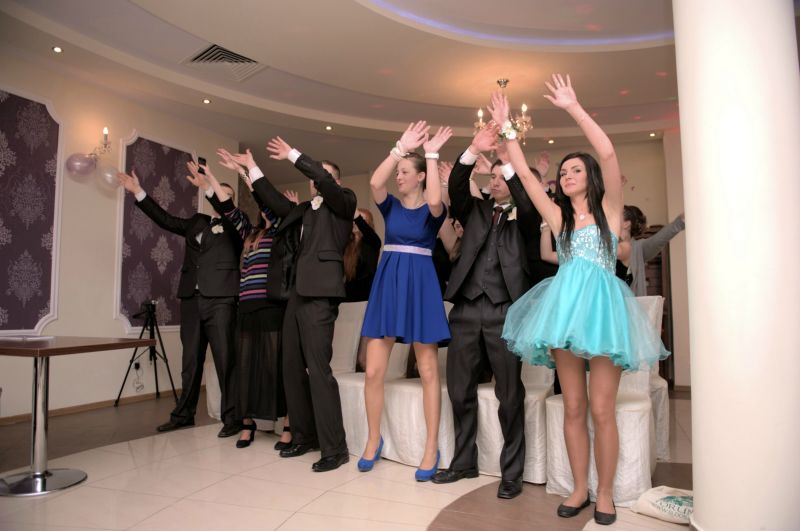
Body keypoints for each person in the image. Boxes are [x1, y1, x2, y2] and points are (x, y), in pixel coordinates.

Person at [492, 75, 669, 525]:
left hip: (604, 315)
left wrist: (573, 107)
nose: (567, 176)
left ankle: (605, 493)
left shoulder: (610, 211)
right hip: (565, 315)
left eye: (575, 170)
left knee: (601, 409)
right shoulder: (559, 219)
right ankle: (578, 488)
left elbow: (607, 153)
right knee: (572, 406)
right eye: (564, 171)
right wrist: (507, 129)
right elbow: (526, 178)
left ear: (589, 177)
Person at [229, 140, 356, 473]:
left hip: (321, 294)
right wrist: (252, 168)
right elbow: (272, 200)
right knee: (291, 368)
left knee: (318, 370)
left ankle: (335, 448)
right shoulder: (302, 210)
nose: (316, 179)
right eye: (314, 176)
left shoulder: (344, 202)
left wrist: (294, 156)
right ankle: (303, 435)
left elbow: (323, 179)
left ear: (335, 181)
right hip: (295, 294)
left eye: (323, 175)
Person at [429, 125, 539, 499]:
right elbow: (458, 185)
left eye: (501, 176)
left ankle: (512, 473)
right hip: (465, 309)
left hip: (505, 311)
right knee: (460, 390)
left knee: (509, 394)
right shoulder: (475, 210)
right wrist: (473, 150)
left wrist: (509, 162)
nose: (494, 181)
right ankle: (463, 462)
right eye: (491, 177)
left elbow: (526, 200)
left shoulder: (527, 216)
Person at [117, 166, 244, 438]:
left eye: (225, 194)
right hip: (191, 300)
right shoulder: (198, 221)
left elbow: (226, 208)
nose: (221, 196)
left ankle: (232, 418)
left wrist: (210, 186)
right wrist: (138, 191)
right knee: (190, 361)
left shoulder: (237, 225)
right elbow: (166, 220)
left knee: (225, 360)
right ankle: (184, 415)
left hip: (221, 299)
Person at [358, 121, 452, 481]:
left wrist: (431, 154)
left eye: (404, 172)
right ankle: (373, 439)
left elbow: (435, 200)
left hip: (421, 285)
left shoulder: (433, 209)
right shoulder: (391, 207)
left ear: (420, 176)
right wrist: (399, 148)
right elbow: (374, 183)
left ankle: (431, 447)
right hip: (389, 285)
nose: (398, 177)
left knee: (428, 371)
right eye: (398, 172)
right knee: (373, 370)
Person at [617, 206, 686, 296]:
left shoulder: (638, 248)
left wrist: (680, 221)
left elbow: (658, 240)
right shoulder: (606, 247)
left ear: (626, 224)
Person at [344, 208, 381, 302]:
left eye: (360, 220)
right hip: (347, 298)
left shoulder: (373, 242)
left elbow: (367, 231)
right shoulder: (347, 244)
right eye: (353, 220)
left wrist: (357, 217)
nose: (354, 223)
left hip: (367, 297)